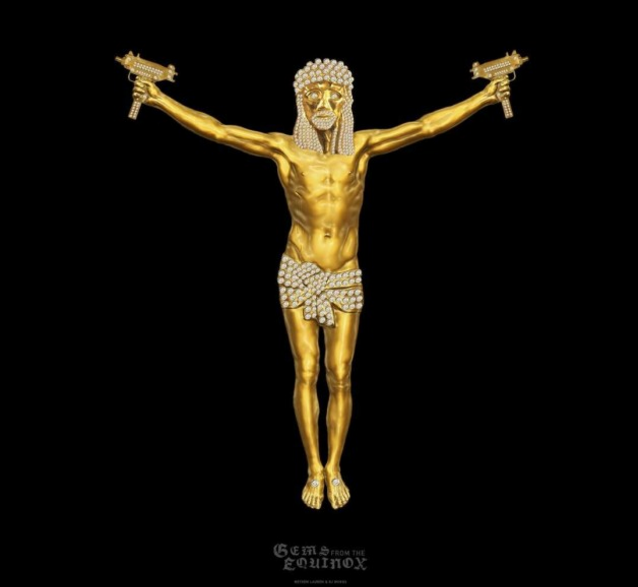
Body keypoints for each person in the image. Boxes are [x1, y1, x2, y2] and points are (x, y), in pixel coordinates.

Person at [132, 58, 510, 509]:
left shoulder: (361, 147)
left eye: (334, 95)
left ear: (346, 100)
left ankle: (335, 466)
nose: (324, 103)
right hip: (299, 270)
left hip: (344, 273)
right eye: (314, 96)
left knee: (342, 374)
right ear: (302, 102)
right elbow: (219, 131)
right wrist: (160, 99)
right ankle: (313, 466)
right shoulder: (287, 150)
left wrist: (484, 97)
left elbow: (425, 127)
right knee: (306, 371)